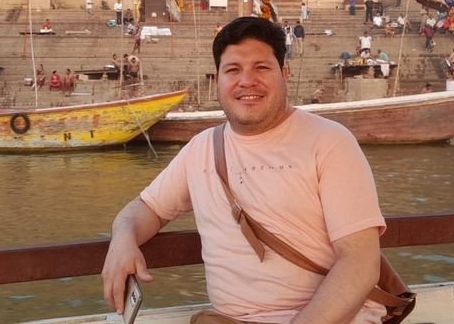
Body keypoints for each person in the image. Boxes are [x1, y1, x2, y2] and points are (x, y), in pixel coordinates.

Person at [101, 17, 388, 324]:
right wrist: (123, 238)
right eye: (233, 70)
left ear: (284, 75)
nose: (247, 81)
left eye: (262, 68)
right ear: (218, 81)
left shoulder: (330, 142)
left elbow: (359, 261)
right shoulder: (202, 149)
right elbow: (147, 208)